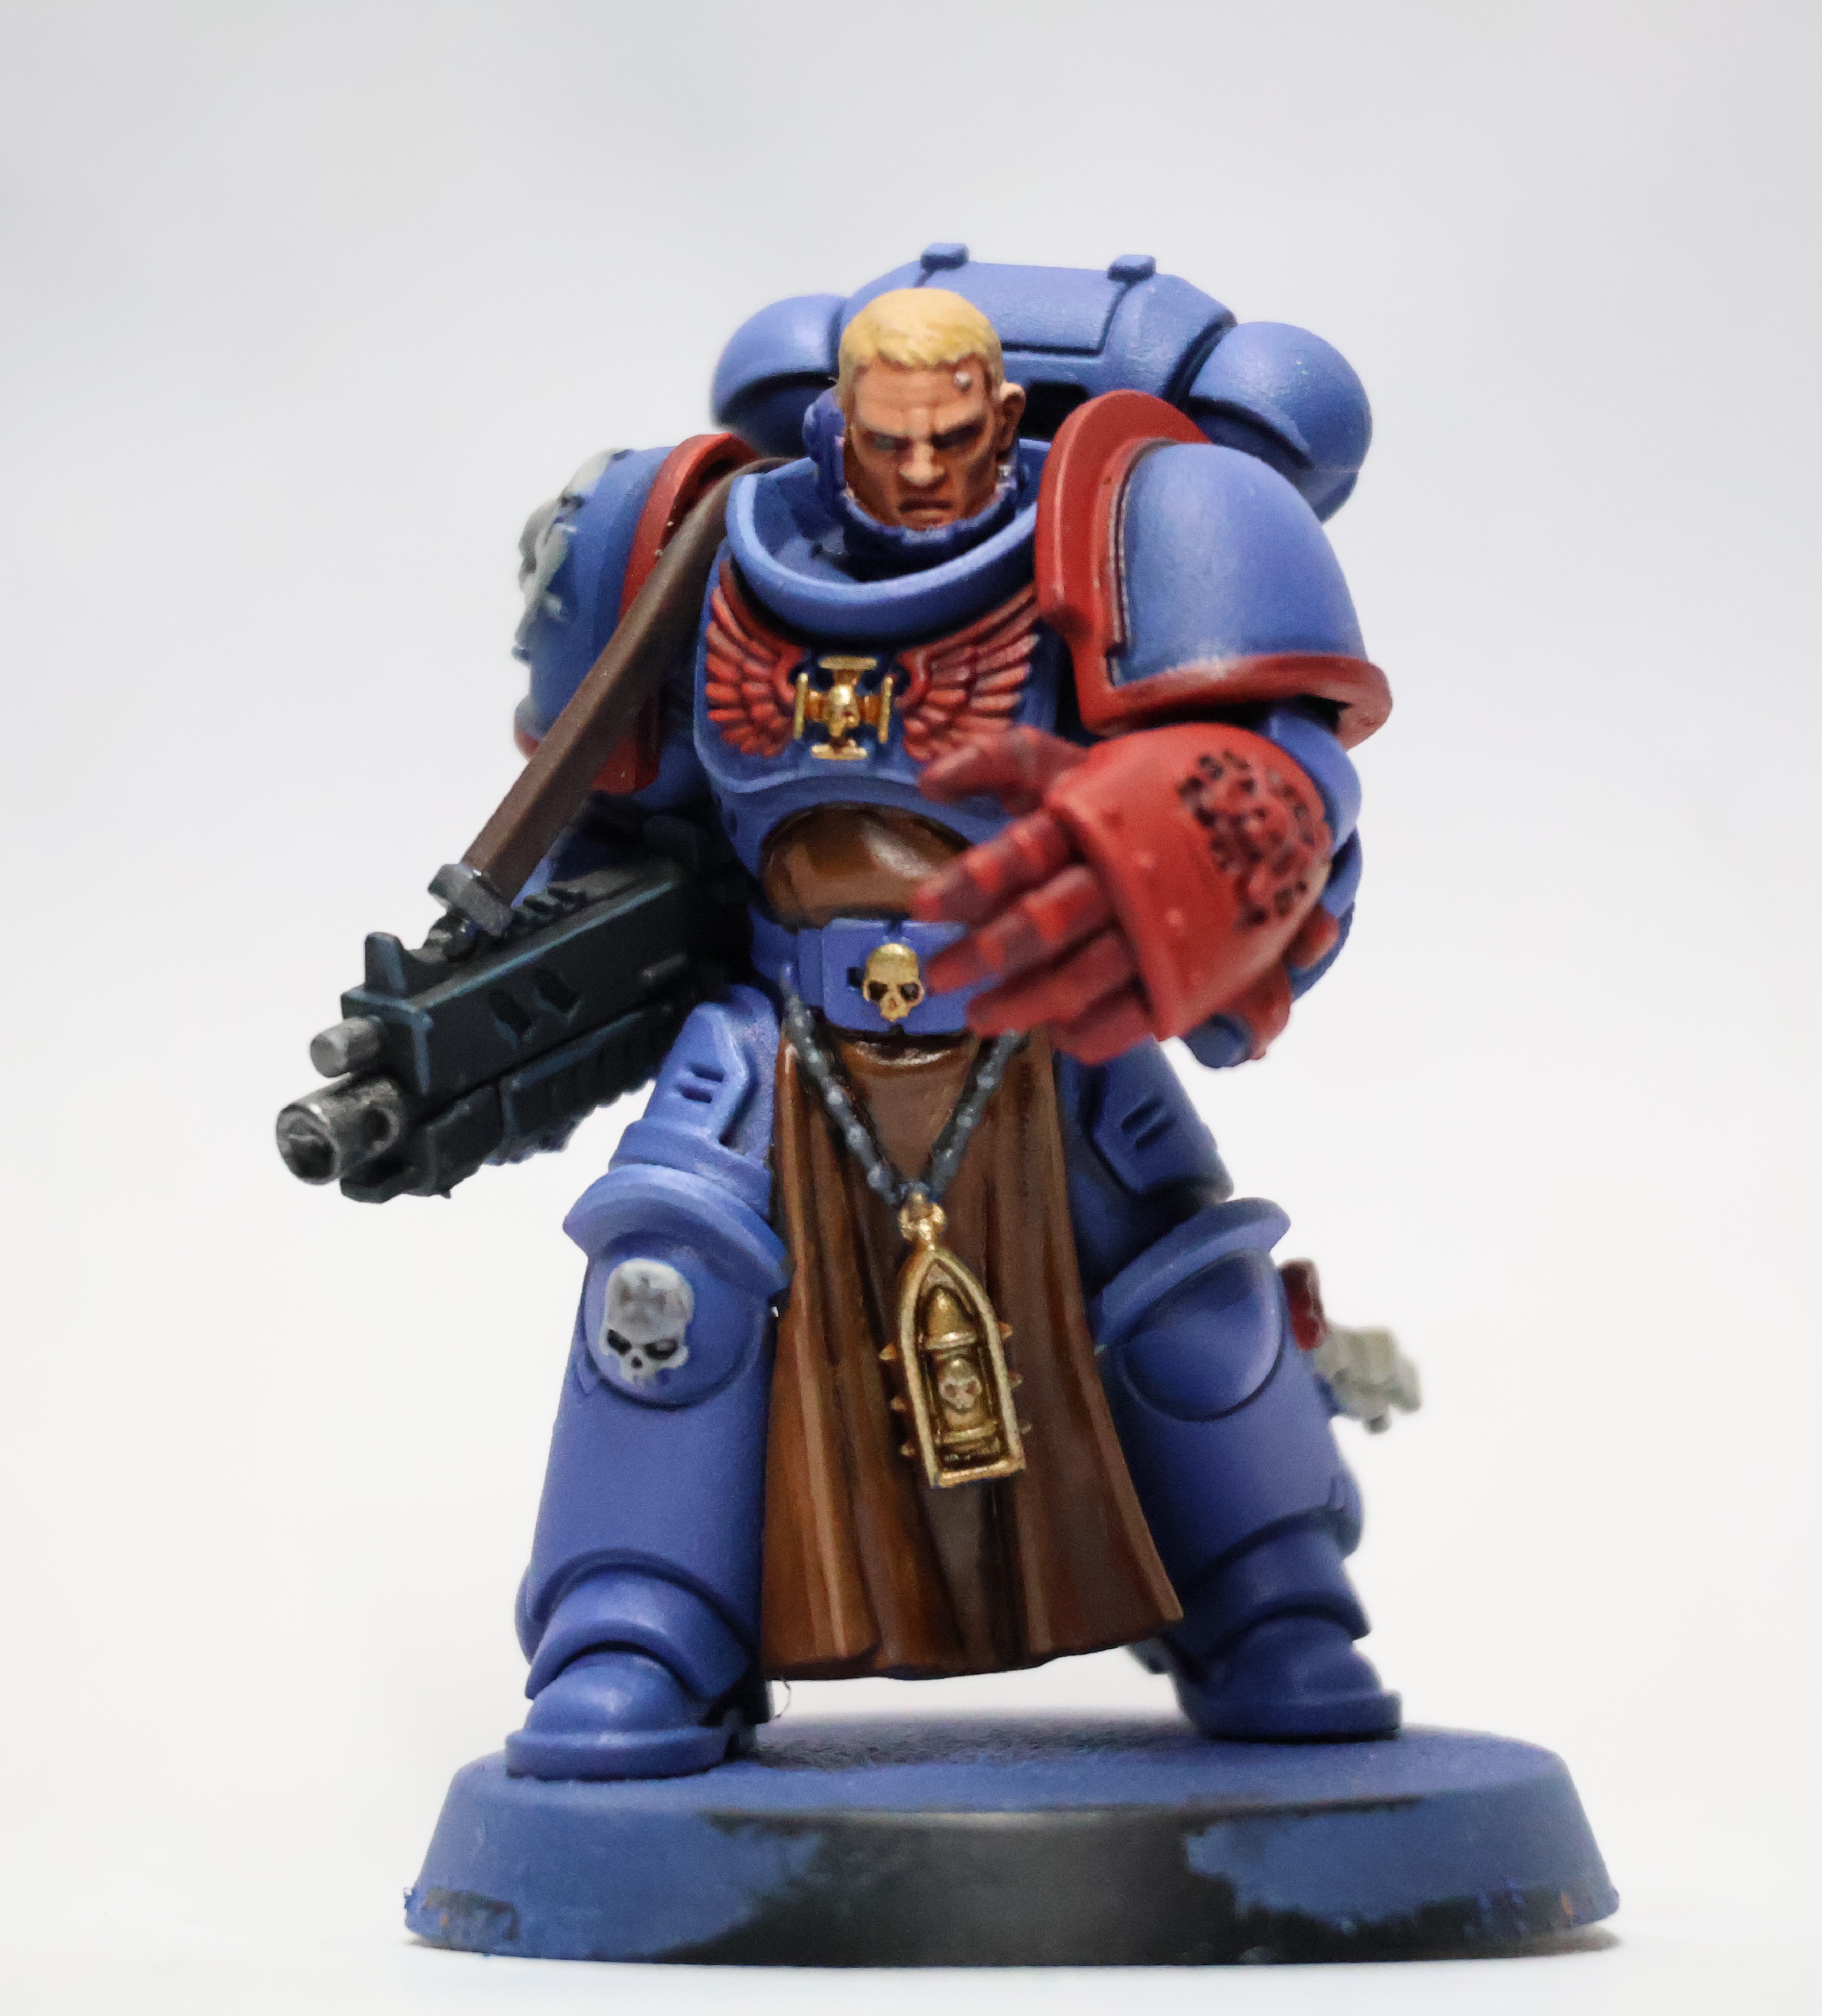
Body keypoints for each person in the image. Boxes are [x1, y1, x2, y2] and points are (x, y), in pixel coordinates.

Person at [504, 279, 1406, 1779]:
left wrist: (1197, 870)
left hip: (1040, 1011)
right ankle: (635, 1619)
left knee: (1190, 1299)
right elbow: (605, 813)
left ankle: (1272, 1595)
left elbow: (1286, 782)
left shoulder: (1132, 540)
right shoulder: (700, 557)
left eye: (954, 436)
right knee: (663, 1295)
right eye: (887, 438)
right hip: (780, 1022)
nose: (921, 471)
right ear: (830, 427)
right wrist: (541, 982)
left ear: (1003, 415)